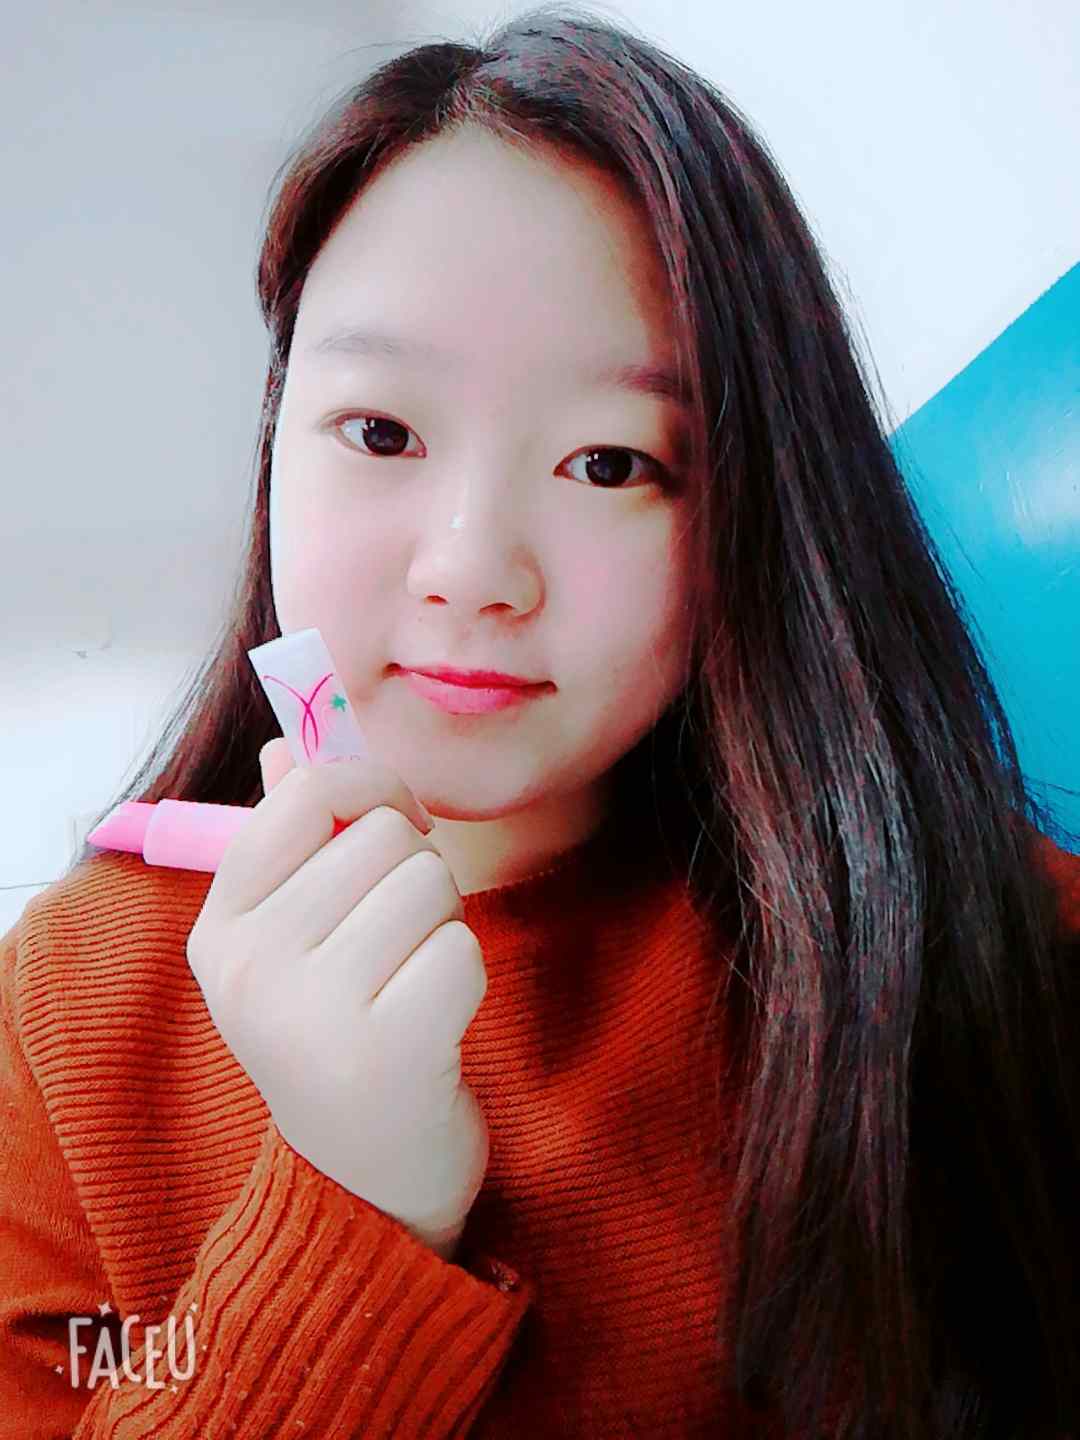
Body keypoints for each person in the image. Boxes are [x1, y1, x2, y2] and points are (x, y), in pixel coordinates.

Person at [2, 5, 1078, 1437]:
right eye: (381, 433)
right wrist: (353, 1200)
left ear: (753, 513)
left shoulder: (976, 940)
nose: (471, 571)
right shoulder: (72, 1006)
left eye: (611, 463)